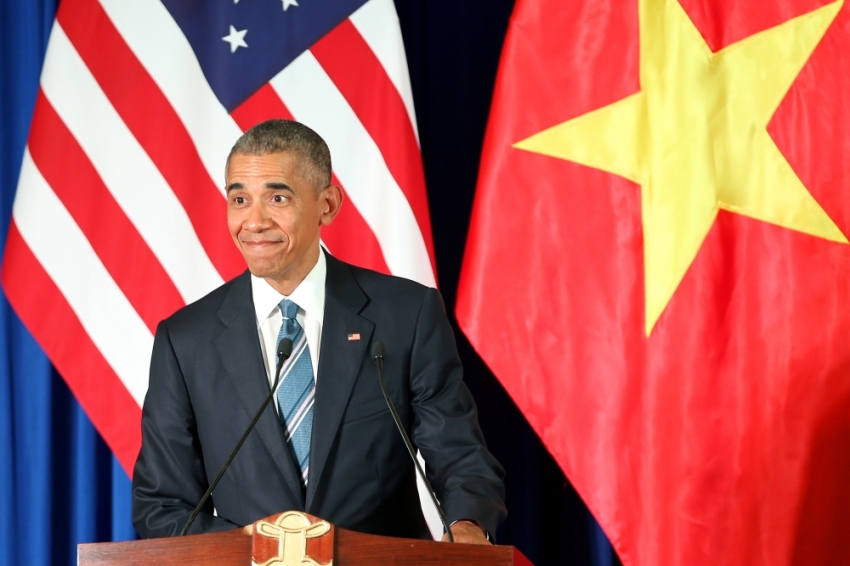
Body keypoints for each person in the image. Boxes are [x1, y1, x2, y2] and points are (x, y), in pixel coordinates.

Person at [132, 119, 506, 544]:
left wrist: (467, 526)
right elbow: (162, 506)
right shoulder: (185, 340)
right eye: (239, 199)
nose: (253, 222)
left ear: (327, 204)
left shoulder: (407, 315)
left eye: (277, 197)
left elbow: (458, 453)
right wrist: (265, 549)